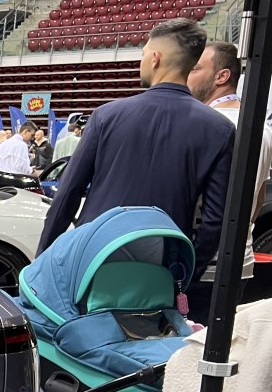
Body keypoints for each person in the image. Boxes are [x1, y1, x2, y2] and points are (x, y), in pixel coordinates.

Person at [38, 18, 235, 293]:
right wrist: (186, 274)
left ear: (155, 58)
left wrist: (42, 261)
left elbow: (67, 195)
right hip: (161, 266)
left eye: (143, 54)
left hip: (93, 258)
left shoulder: (106, 115)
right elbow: (216, 220)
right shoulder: (220, 129)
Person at [184, 39, 271, 321]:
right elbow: (258, 199)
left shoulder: (203, 123)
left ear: (222, 76)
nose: (186, 75)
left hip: (198, 264)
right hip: (240, 263)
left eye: (195, 69)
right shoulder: (261, 128)